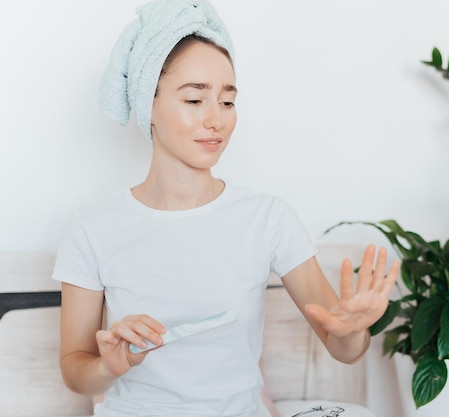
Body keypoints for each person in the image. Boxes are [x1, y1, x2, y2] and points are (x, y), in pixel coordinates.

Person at [52, 1, 399, 416]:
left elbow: (342, 346)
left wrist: (354, 330)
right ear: (148, 103)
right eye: (195, 100)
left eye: (228, 101)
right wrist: (110, 365)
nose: (216, 119)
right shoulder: (92, 227)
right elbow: (75, 369)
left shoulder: (267, 218)